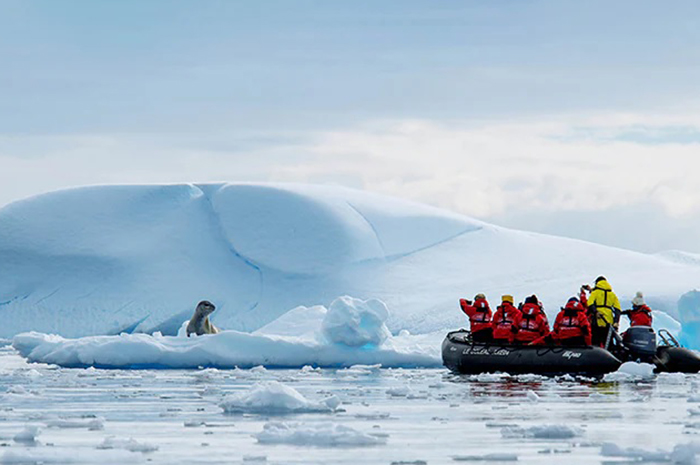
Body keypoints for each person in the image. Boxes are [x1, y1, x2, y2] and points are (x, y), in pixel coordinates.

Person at [584, 276, 622, 348]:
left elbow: (589, 303)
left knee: (595, 341)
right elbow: (618, 309)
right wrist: (616, 321)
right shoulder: (612, 294)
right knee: (608, 342)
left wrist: (595, 312)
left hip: (597, 320)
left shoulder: (595, 292)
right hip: (608, 320)